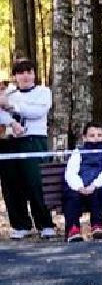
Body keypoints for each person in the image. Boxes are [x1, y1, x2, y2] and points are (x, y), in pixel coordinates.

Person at [1, 58, 56, 239]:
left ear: (34, 74)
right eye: (21, 72)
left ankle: (45, 224)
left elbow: (38, 112)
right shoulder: (9, 92)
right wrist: (11, 121)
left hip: (34, 140)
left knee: (36, 182)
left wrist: (12, 107)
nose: (25, 76)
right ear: (15, 75)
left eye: (29, 72)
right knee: (11, 184)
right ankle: (20, 224)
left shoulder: (43, 92)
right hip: (9, 142)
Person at [62, 122, 102, 243]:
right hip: (78, 185)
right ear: (84, 137)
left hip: (96, 185)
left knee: (99, 193)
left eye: (99, 135)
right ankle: (73, 229)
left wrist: (94, 185)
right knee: (71, 196)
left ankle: (97, 226)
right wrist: (79, 186)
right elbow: (71, 172)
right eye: (92, 135)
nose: (96, 138)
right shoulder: (78, 152)